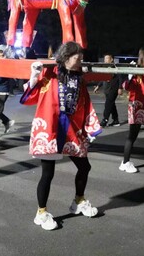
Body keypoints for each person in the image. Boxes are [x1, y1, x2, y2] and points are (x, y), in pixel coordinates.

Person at [20, 41, 103, 230]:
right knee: (48, 174)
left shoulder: (80, 79)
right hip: (51, 129)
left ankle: (79, 201)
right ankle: (41, 213)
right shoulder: (50, 74)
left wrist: (90, 127)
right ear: (66, 57)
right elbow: (28, 98)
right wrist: (34, 75)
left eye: (81, 56)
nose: (81, 59)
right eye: (77, 56)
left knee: (85, 166)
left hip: (72, 131)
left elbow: (85, 103)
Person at [93, 53, 123, 127]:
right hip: (106, 89)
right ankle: (116, 120)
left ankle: (105, 120)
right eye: (105, 58)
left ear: (111, 59)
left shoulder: (115, 67)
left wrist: (120, 88)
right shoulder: (105, 67)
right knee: (111, 105)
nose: (105, 60)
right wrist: (98, 86)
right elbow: (103, 77)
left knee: (108, 104)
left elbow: (120, 77)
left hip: (113, 88)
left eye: (107, 58)